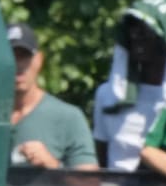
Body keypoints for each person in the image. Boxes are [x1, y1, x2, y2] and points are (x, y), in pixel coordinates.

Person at [92, 0, 166, 170]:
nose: (136, 34)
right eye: (132, 27)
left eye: (146, 28)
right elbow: (100, 161)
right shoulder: (109, 96)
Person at [7, 23, 98, 170]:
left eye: (23, 56)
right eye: (11, 56)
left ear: (39, 60)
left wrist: (52, 165)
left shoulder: (69, 117)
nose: (18, 65)